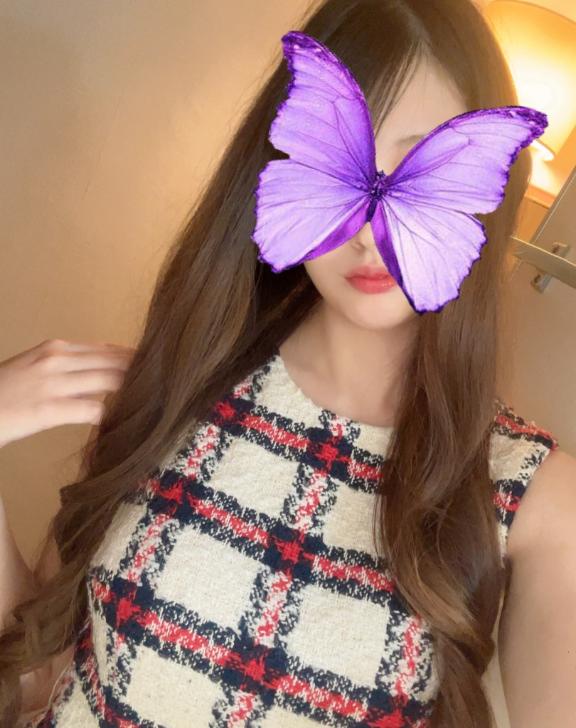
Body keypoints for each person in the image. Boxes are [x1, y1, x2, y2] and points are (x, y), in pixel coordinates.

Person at [0, 0, 574, 726]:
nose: (368, 231)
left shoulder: (533, 497)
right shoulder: (175, 387)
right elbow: (36, 682)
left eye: (422, 178)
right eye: (339, 168)